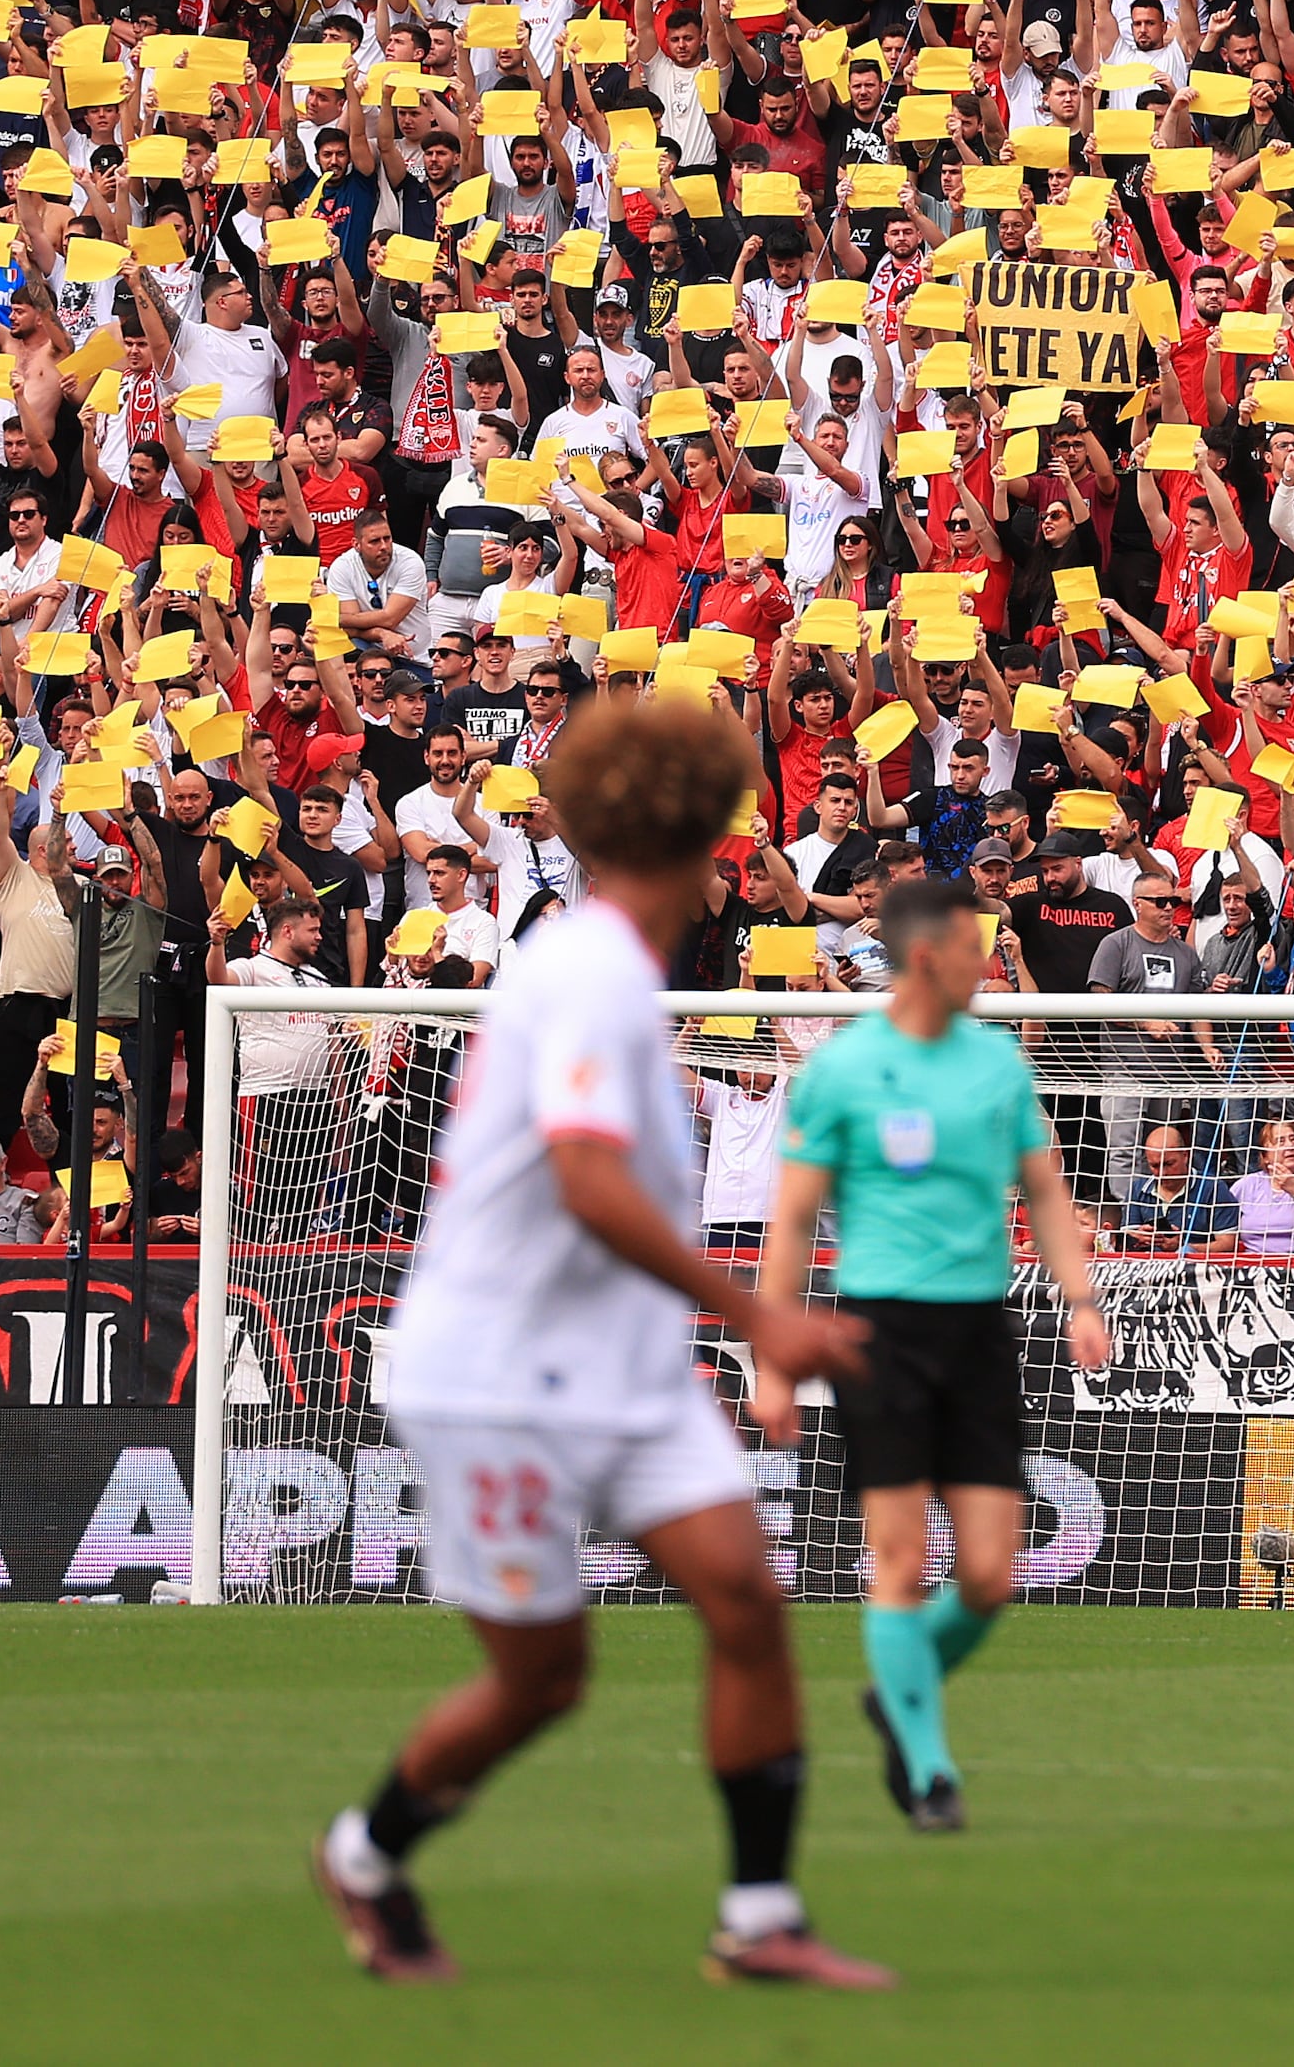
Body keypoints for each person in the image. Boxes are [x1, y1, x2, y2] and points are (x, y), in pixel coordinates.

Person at [315, 695, 883, 1988]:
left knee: (744, 1593)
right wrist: (756, 1317)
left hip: (619, 1364)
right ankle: (363, 1850)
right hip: (499, 1368)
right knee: (544, 1678)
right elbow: (585, 1176)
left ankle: (759, 1916)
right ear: (712, 840)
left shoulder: (622, 974)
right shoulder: (585, 973)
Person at [757, 868, 1110, 1838]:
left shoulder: (995, 1066)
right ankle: (929, 1769)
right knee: (900, 1564)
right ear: (925, 958)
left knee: (991, 1578)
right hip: (877, 1332)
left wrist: (1079, 1297)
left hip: (977, 1331)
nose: (988, 965)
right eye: (975, 951)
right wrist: (771, 1358)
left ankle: (896, 1689)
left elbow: (1043, 1191)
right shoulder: (840, 1069)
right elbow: (790, 1223)